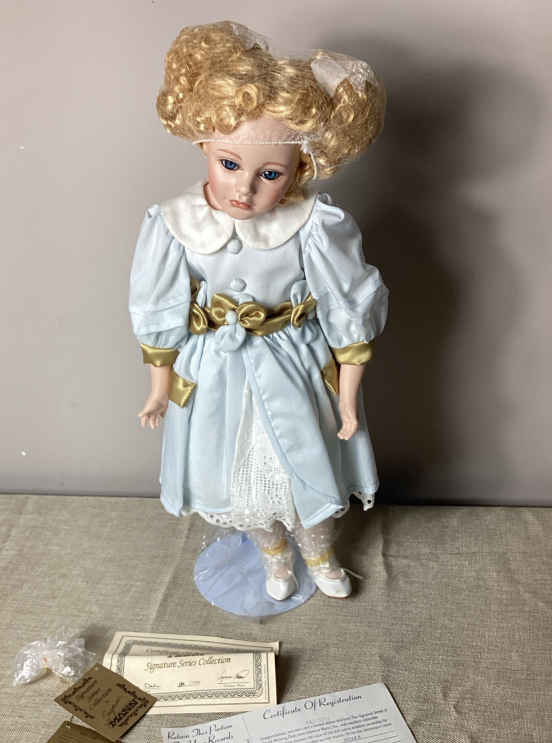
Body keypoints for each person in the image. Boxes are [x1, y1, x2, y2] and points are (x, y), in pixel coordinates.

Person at [130, 21, 388, 602]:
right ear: (205, 147)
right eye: (229, 164)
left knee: (303, 465)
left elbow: (347, 307)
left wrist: (348, 398)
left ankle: (318, 553)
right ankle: (273, 556)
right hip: (215, 368)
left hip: (294, 364)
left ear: (299, 170)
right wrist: (158, 386)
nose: (243, 189)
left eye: (269, 174)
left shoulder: (314, 225)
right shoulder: (174, 223)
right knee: (234, 475)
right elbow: (159, 305)